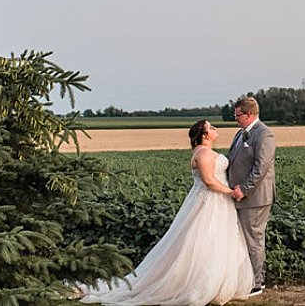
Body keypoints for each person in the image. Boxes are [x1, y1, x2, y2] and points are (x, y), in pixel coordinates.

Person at [80, 120, 254, 305]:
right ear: (203, 135)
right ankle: (199, 284)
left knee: (217, 240)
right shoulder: (202, 153)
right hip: (209, 201)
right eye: (210, 127)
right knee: (204, 240)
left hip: (218, 202)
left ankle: (218, 283)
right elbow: (209, 181)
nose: (214, 129)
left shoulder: (205, 152)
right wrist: (231, 192)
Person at [227, 96, 276, 296]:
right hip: (240, 197)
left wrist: (244, 189)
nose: (235, 119)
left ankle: (257, 283)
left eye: (237, 115)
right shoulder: (240, 134)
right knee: (244, 239)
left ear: (249, 114)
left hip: (255, 198)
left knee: (254, 239)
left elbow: (261, 167)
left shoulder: (264, 134)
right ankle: (245, 278)